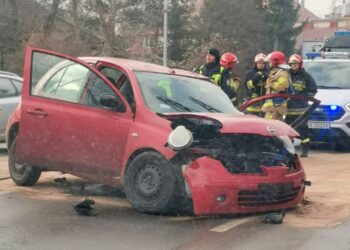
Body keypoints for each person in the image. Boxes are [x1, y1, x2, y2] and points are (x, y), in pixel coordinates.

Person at [286, 54, 317, 157]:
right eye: (292, 64)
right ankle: (289, 149)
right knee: (288, 129)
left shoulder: (306, 76)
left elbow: (313, 90)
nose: (294, 65)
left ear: (300, 64)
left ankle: (304, 151)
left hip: (301, 109)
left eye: (296, 63)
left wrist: (303, 96)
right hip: (288, 108)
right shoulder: (286, 75)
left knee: (303, 130)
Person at [262, 51, 292, 121]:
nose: (269, 64)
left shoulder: (282, 73)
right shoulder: (276, 72)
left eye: (270, 62)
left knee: (269, 127)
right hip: (272, 107)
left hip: (276, 107)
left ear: (275, 62)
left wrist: (272, 83)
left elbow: (282, 87)